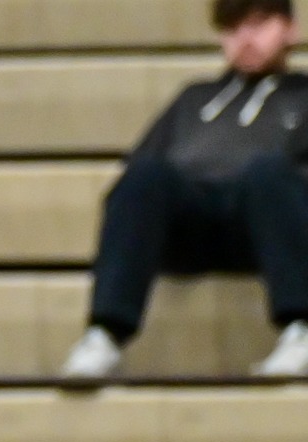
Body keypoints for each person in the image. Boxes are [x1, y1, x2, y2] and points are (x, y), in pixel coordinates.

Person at [63, 0, 308, 378]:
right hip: (191, 227)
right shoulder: (194, 98)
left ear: (290, 29)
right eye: (232, 27)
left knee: (268, 171)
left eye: (259, 24)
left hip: (269, 227)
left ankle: (301, 329)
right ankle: (104, 335)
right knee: (145, 174)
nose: (246, 38)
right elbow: (138, 176)